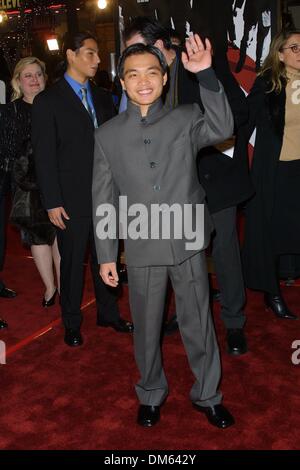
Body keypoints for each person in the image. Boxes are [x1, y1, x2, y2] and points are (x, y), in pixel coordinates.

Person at [92, 38, 234, 428]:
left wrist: (205, 73)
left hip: (186, 237)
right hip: (141, 243)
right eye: (133, 75)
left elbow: (223, 126)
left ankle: (208, 394)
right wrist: (107, 253)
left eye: (151, 73)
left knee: (199, 322)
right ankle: (151, 392)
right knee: (147, 325)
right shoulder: (106, 135)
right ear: (122, 82)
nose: (143, 82)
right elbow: (103, 198)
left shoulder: (186, 117)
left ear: (165, 77)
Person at [122, 17, 253, 355]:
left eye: (145, 48)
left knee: (224, 253)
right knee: (182, 257)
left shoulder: (199, 66)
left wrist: (199, 137)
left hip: (216, 178)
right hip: (175, 189)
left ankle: (234, 322)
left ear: (166, 46)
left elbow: (236, 113)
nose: (138, 57)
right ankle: (186, 314)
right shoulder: (146, 84)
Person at [32, 31, 133, 347]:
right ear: (71, 54)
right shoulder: (48, 100)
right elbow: (44, 155)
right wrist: (52, 201)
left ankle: (108, 313)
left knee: (108, 255)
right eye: (90, 53)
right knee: (73, 263)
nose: (98, 59)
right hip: (70, 198)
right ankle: (71, 321)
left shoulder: (104, 97)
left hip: (106, 195)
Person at [242, 30, 300, 319]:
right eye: (294, 47)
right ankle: (271, 291)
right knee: (273, 231)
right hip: (275, 169)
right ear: (280, 54)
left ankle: (288, 274)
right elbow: (245, 120)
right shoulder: (267, 84)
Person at [1, 57, 60, 308]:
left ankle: (66, 287)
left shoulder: (59, 107)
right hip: (27, 187)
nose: (34, 79)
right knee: (38, 237)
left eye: (39, 74)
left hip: (59, 181)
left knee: (61, 237)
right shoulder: (8, 112)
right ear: (18, 81)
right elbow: (7, 151)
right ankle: (50, 287)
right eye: (28, 75)